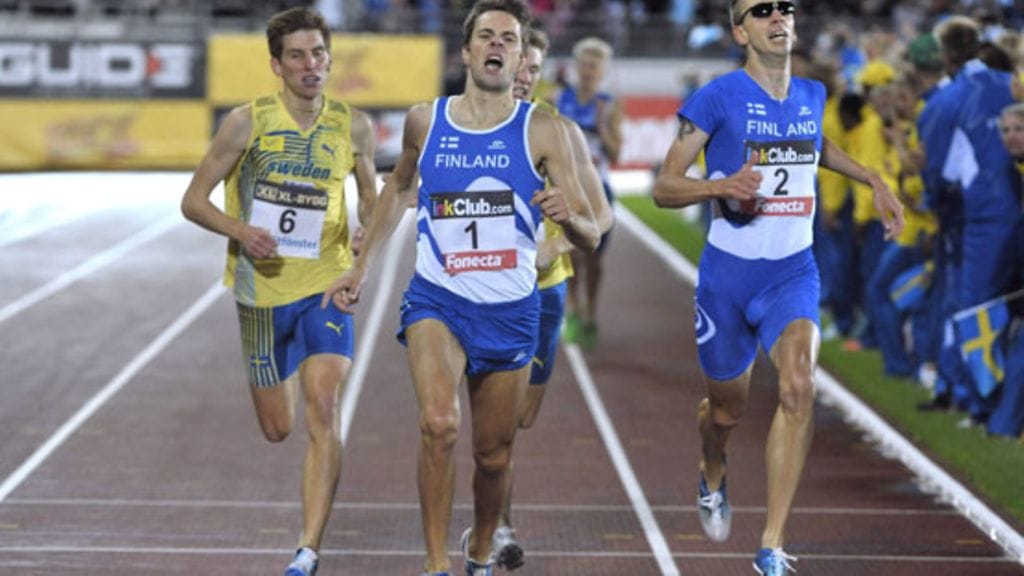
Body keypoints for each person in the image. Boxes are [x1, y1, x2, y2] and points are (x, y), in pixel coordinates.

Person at [320, 1, 600, 574]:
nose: (497, 45)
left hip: (512, 308)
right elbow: (399, 189)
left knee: (494, 456)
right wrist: (361, 267)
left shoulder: (542, 128)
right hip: (438, 299)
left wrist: (566, 216)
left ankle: (477, 551)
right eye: (487, 35)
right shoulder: (427, 120)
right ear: (468, 50)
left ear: (522, 55)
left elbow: (592, 231)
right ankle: (435, 564)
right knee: (439, 424)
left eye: (509, 38)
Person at [651, 1, 904, 574]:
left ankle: (770, 546)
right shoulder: (717, 97)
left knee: (797, 386)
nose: (777, 16)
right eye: (761, 10)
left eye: (784, 7)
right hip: (727, 280)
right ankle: (712, 468)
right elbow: (666, 185)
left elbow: (814, 146)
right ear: (740, 30)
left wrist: (871, 177)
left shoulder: (812, 94)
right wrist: (720, 187)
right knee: (725, 413)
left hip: (792, 272)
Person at [179, 7, 378, 576]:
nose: (310, 65)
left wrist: (365, 225)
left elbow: (371, 192)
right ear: (277, 64)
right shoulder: (246, 123)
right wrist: (242, 232)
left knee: (324, 403)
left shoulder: (353, 126)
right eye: (297, 55)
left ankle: (307, 550)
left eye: (318, 53)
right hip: (261, 295)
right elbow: (193, 201)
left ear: (329, 58)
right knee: (278, 428)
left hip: (326, 285)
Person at [490, 25, 614, 571]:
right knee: (483, 420)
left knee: (518, 420)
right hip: (478, 295)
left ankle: (492, 507)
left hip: (543, 293)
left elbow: (601, 214)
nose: (524, 77)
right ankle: (498, 527)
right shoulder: (465, 125)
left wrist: (557, 241)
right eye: (519, 65)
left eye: (534, 71)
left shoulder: (558, 131)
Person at [556, 35, 623, 351]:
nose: (587, 71)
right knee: (569, 253)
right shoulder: (561, 100)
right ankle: (573, 311)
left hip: (599, 190)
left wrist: (602, 125)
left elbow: (617, 153)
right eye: (583, 64)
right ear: (576, 66)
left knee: (594, 259)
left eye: (594, 66)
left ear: (602, 70)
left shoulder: (608, 105)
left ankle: (592, 311)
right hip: (569, 188)